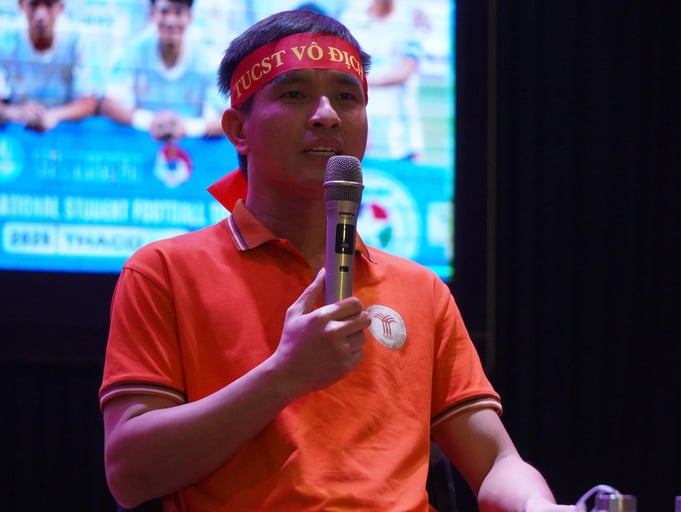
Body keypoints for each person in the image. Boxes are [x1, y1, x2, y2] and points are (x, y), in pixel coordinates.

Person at [99, 9, 574, 512]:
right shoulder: (163, 272)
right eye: (295, 94)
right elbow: (130, 473)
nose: (327, 115)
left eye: (347, 97)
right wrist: (283, 375)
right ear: (238, 129)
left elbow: (497, 461)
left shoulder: (421, 289)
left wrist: (538, 506)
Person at [99, 0, 225, 142]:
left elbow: (225, 116)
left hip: (193, 150)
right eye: (164, 12)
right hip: (143, 146)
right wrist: (149, 121)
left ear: (189, 17)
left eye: (178, 12)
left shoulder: (207, 58)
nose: (170, 21)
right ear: (152, 14)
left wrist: (186, 127)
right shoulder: (134, 52)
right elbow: (108, 104)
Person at [340, 0, 427, 162]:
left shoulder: (410, 19)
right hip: (362, 136)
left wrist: (361, 80)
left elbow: (405, 71)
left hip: (401, 140)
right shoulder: (352, 19)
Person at [0, 0, 98, 133]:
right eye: (34, 4)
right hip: (17, 133)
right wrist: (15, 112)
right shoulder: (5, 40)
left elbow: (89, 102)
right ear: (21, 5)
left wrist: (54, 115)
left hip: (66, 131)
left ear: (61, 8)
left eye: (49, 4)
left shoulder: (77, 38)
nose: (41, 15)